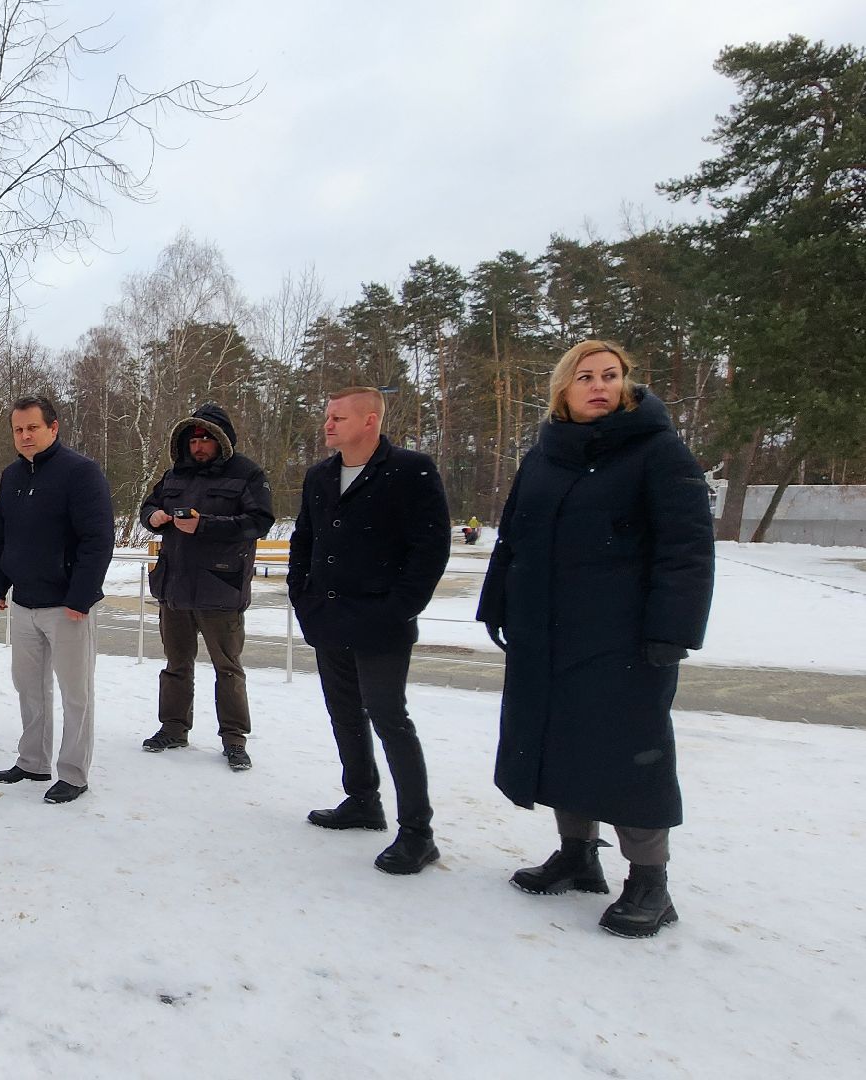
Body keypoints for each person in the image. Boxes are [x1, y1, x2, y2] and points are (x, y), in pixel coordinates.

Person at [477, 341, 714, 938]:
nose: (598, 385)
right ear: (565, 389)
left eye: (610, 376)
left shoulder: (658, 452)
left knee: (631, 754)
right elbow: (513, 539)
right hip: (545, 633)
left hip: (625, 638)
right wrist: (498, 603)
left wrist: (671, 630)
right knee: (558, 740)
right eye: (585, 377)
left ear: (627, 384)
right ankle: (578, 856)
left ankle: (649, 883)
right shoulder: (544, 456)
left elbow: (686, 550)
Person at [288, 385, 450, 875]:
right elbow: (305, 538)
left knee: (389, 719)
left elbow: (430, 549)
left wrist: (398, 608)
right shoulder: (321, 475)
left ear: (371, 421)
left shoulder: (409, 471)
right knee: (344, 713)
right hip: (329, 618)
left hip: (382, 622)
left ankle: (418, 833)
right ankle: (362, 799)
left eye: (338, 416)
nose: (328, 424)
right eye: (327, 416)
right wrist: (304, 596)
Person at [0, 395, 114, 804]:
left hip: (68, 606)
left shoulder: (80, 472)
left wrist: (81, 595)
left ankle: (74, 773)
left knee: (76, 693)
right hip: (24, 602)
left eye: (32, 428)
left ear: (53, 428)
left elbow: (98, 539)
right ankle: (32, 761)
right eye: (18, 429)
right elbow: (3, 536)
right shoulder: (10, 476)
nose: (24, 436)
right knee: (28, 687)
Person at [138, 403, 275, 770]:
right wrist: (154, 516)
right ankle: (173, 727)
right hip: (175, 585)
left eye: (206, 439)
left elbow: (259, 522)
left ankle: (234, 738)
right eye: (194, 439)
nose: (198, 445)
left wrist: (206, 525)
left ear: (221, 440)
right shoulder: (174, 475)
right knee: (175, 664)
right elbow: (148, 507)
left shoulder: (247, 474)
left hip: (221, 586)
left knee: (228, 668)